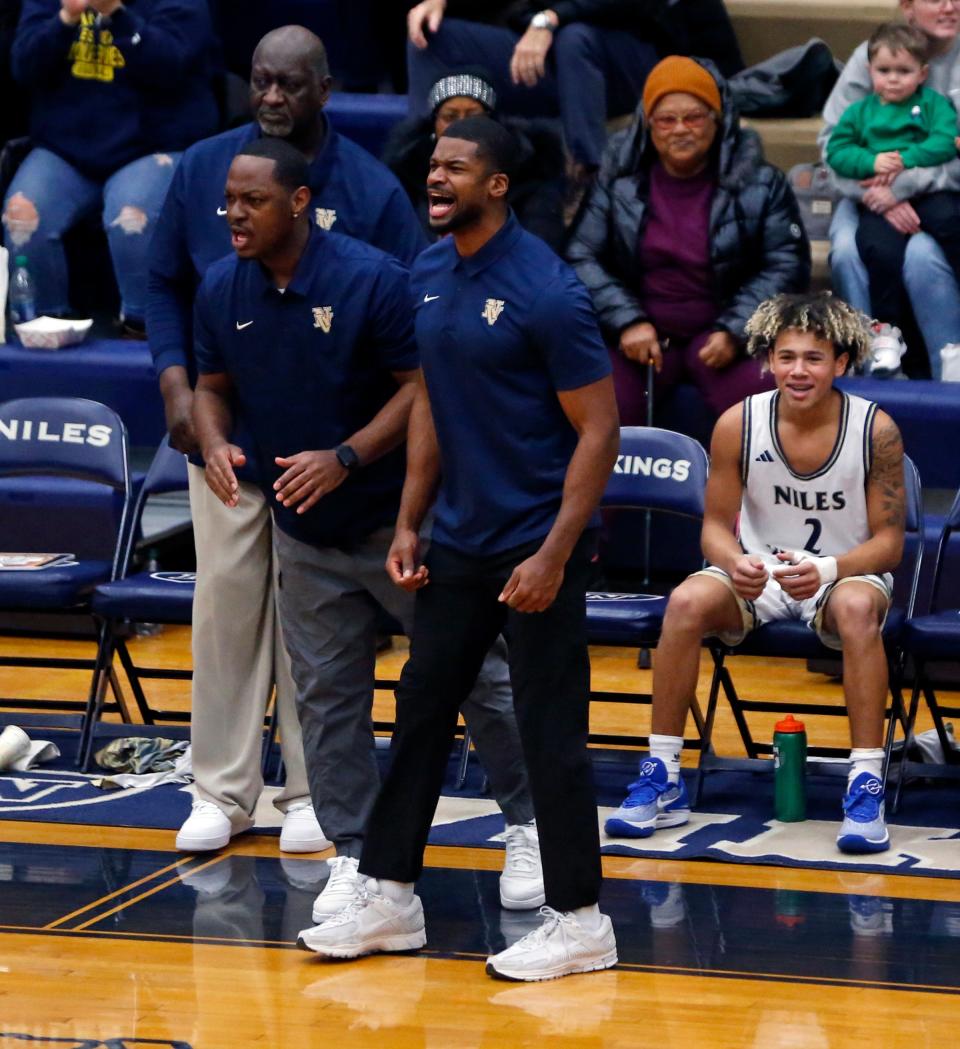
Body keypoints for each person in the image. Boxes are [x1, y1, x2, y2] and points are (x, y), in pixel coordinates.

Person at [297, 115, 621, 983]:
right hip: (462, 540)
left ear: (499, 185)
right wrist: (411, 517)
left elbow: (600, 431)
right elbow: (435, 404)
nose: (436, 178)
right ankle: (391, 891)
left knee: (551, 734)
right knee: (421, 710)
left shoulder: (548, 290)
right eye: (433, 165)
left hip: (537, 547)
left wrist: (556, 552)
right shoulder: (430, 272)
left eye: (456, 168)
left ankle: (581, 919)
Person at [191, 137, 541, 919]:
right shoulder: (221, 287)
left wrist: (346, 456)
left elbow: (422, 391)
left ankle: (531, 823)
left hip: (401, 524)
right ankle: (358, 854)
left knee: (476, 679)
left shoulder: (372, 280)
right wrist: (213, 441)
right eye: (228, 202)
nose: (234, 216)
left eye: (251, 201)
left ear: (300, 202)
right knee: (326, 698)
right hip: (302, 530)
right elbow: (210, 387)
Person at [146, 26, 428, 857]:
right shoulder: (204, 166)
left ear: (325, 90)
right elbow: (163, 282)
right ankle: (221, 789)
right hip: (229, 441)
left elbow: (410, 334)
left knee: (323, 632)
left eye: (289, 86)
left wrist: (357, 453)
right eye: (260, 82)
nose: (271, 99)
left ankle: (310, 791)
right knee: (224, 612)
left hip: (331, 460)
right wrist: (175, 385)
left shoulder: (373, 191)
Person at [605, 291, 906, 855]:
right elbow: (714, 528)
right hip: (760, 573)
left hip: (843, 573)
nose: (798, 370)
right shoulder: (737, 423)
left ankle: (865, 783)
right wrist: (733, 562)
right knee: (686, 602)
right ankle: (663, 775)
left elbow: (889, 544)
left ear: (842, 362)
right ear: (768, 359)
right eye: (786, 356)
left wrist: (830, 569)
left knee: (860, 608)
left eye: (814, 358)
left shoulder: (876, 429)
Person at [566, 56, 810, 428]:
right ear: (648, 126)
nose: (680, 130)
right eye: (666, 120)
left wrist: (736, 330)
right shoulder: (618, 182)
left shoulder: (762, 183)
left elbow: (787, 263)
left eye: (694, 117)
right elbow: (580, 255)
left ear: (718, 120)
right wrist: (627, 320)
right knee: (600, 417)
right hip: (640, 340)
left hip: (722, 338)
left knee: (772, 416)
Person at [3, 0, 218, 331]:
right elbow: (23, 67)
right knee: (21, 215)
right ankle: (43, 338)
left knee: (131, 219)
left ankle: (145, 335)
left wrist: (116, 15)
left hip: (152, 145)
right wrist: (65, 20)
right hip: (66, 149)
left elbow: (170, 67)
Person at [404, 0, 743, 186]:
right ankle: (428, 166)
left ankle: (592, 179)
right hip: (548, 57)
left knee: (576, 37)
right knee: (431, 37)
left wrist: (552, 18)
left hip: (640, 61)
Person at [819, 0, 960, 380]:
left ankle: (947, 365)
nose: (949, 7)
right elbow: (833, 149)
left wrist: (905, 186)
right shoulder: (871, 56)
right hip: (868, 193)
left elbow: (951, 144)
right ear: (908, 7)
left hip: (944, 191)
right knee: (849, 249)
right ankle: (869, 363)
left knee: (922, 253)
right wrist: (876, 196)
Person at [382, 65, 567, 249]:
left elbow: (538, 249)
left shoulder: (530, 172)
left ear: (493, 123)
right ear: (433, 125)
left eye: (473, 116)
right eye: (450, 117)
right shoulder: (406, 175)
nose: (463, 128)